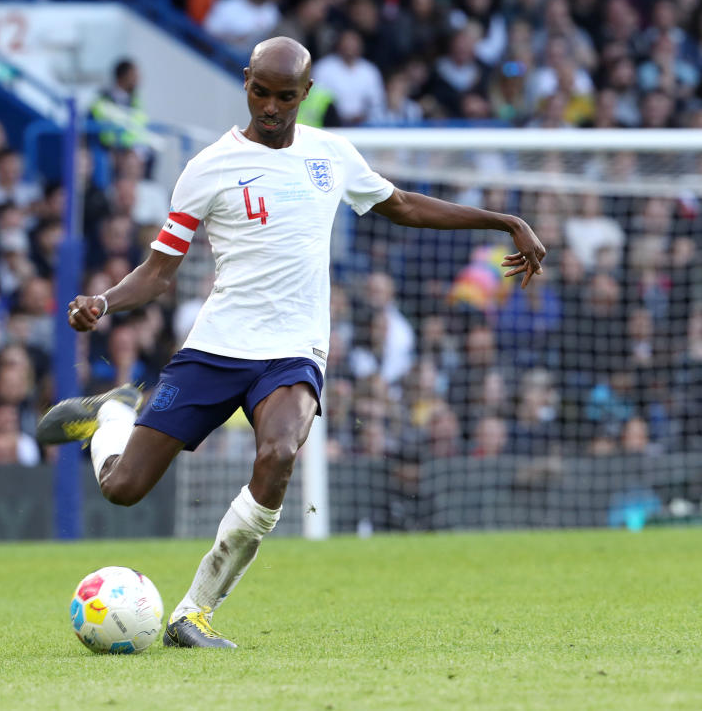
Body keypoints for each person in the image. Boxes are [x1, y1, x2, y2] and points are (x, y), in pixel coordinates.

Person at [37, 37, 546, 649]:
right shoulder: (208, 167)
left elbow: (404, 205)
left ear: (306, 94)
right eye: (260, 92)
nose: (271, 107)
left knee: (278, 454)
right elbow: (159, 269)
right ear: (247, 81)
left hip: (293, 351)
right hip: (217, 347)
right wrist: (105, 301)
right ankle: (112, 415)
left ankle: (192, 613)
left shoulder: (332, 155)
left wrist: (504, 220)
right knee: (123, 490)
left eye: (285, 97)